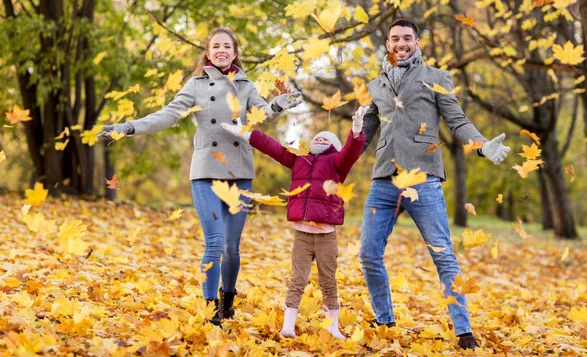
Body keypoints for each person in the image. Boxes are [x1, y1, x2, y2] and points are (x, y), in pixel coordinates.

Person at [98, 28, 302, 326]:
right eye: (215, 46)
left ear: (234, 53)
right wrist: (128, 127)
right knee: (215, 243)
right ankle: (211, 311)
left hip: (240, 173)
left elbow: (263, 115)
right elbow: (167, 115)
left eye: (227, 46)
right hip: (206, 172)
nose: (221, 50)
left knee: (232, 247)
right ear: (208, 53)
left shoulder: (245, 85)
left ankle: (228, 299)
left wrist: (277, 105)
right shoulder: (194, 85)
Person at [359, 19, 510, 350]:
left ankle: (464, 331)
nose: (401, 42)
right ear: (387, 44)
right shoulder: (375, 85)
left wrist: (482, 145)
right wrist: (338, 156)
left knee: (443, 255)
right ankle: (384, 319)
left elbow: (457, 120)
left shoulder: (437, 78)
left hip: (424, 178)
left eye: (407, 38)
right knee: (368, 253)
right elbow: (366, 132)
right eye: (395, 38)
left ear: (416, 42)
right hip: (384, 178)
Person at [222, 106, 369, 339]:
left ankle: (332, 326)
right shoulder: (300, 159)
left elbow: (351, 151)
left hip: (326, 236)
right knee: (297, 279)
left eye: (326, 138)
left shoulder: (337, 163)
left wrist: (357, 130)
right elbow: (274, 148)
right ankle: (288, 325)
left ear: (334, 146)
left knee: (328, 281)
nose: (320, 137)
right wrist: (248, 134)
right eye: (317, 136)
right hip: (302, 235)